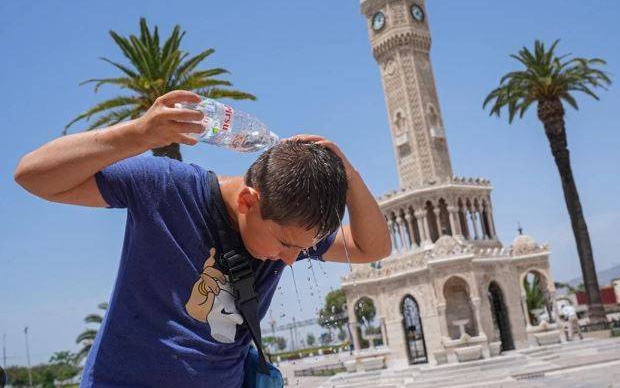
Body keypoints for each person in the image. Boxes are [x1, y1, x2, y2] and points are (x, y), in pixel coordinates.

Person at [14, 90, 391, 387]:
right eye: (285, 244)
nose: (290, 260)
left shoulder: (289, 229)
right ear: (248, 201)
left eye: (301, 248)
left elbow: (373, 247)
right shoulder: (167, 188)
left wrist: (349, 175)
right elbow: (32, 175)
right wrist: (138, 134)